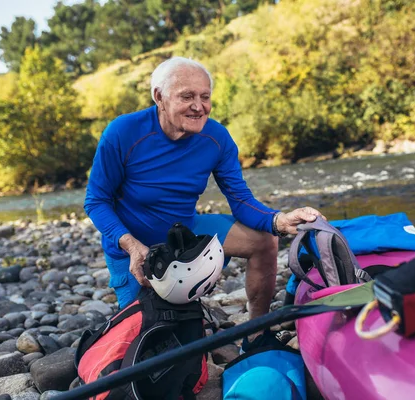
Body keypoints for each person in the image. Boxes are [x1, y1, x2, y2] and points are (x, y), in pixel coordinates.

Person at [84, 56, 324, 324]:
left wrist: (278, 220)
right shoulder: (123, 133)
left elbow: (240, 199)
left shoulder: (217, 138)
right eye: (186, 96)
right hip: (134, 248)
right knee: (152, 336)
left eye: (205, 96)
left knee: (265, 240)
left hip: (186, 231)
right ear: (159, 97)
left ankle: (258, 332)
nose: (198, 107)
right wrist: (130, 245)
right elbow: (96, 201)